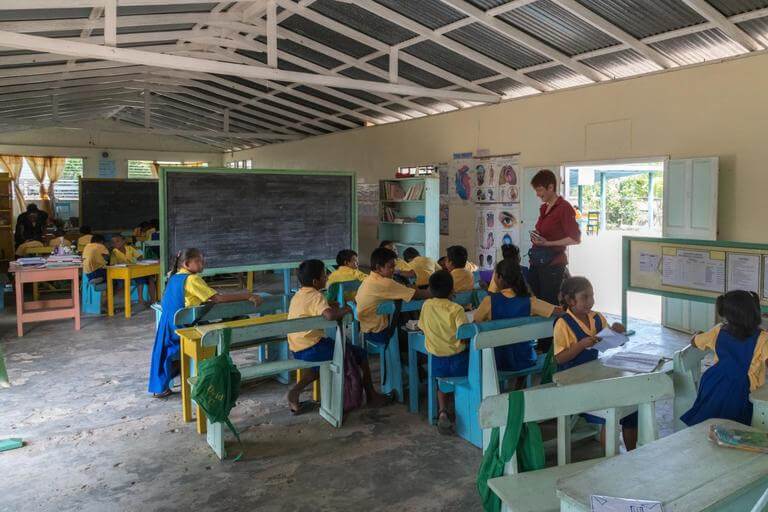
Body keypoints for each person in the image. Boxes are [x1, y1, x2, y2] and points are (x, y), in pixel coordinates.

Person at [148, 248, 263, 398]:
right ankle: (211, 382)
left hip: (168, 325)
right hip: (182, 326)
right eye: (198, 261)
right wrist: (247, 295)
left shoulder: (175, 277)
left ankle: (163, 386)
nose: (203, 264)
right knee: (213, 339)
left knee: (172, 355)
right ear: (187, 263)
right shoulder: (192, 279)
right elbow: (217, 299)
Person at [287, 259, 385, 412]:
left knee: (316, 369)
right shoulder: (316, 296)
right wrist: (345, 310)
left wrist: (328, 303)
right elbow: (329, 315)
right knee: (360, 353)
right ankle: (370, 395)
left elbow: (316, 308)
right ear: (315, 281)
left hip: (297, 347)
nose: (326, 277)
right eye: (324, 275)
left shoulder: (300, 294)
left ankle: (294, 392)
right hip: (313, 347)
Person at [553, 276, 636, 450]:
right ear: (570, 300)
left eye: (592, 296)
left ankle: (632, 453)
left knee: (631, 405)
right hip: (572, 380)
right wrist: (581, 345)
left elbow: (614, 342)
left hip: (594, 375)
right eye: (585, 297)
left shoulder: (596, 318)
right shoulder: (562, 323)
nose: (591, 301)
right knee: (611, 407)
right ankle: (611, 459)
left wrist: (617, 332)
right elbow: (559, 358)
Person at [681, 291, 768, 427]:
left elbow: (694, 342)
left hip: (714, 383)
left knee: (708, 421)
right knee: (738, 425)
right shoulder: (763, 338)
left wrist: (697, 334)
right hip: (743, 391)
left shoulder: (719, 331)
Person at [475, 259, 560, 374]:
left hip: (496, 361)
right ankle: (519, 384)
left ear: (499, 277)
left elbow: (475, 324)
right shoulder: (530, 302)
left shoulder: (489, 301)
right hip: (525, 358)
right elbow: (556, 311)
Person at [528, 170, 580, 352]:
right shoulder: (544, 208)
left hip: (553, 264)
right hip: (538, 262)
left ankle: (548, 346)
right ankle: (541, 342)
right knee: (538, 302)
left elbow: (575, 238)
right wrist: (537, 238)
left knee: (549, 304)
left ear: (551, 187)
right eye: (536, 191)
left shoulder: (564, 208)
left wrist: (549, 243)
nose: (538, 194)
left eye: (540, 190)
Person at [418, 270, 469, 434]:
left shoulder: (426, 305)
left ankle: (442, 411)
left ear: (431, 290)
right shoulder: (457, 309)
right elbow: (465, 334)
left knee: (441, 384)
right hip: (458, 358)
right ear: (452, 290)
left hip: (436, 359)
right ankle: (463, 409)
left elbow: (422, 326)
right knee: (464, 378)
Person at [355, 247, 429, 360]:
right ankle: (414, 362)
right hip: (380, 332)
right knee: (419, 333)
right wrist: (438, 292)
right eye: (391, 267)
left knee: (408, 319)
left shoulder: (369, 279)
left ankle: (412, 363)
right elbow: (416, 295)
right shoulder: (385, 283)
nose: (394, 270)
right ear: (379, 268)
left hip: (367, 329)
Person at [110, 234, 156, 304]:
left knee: (150, 278)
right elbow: (112, 264)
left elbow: (139, 257)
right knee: (121, 284)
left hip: (134, 272)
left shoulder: (130, 248)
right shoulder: (114, 252)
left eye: (117, 241)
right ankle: (121, 300)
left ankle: (149, 300)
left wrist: (138, 258)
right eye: (113, 242)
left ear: (123, 241)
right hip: (122, 274)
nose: (115, 243)